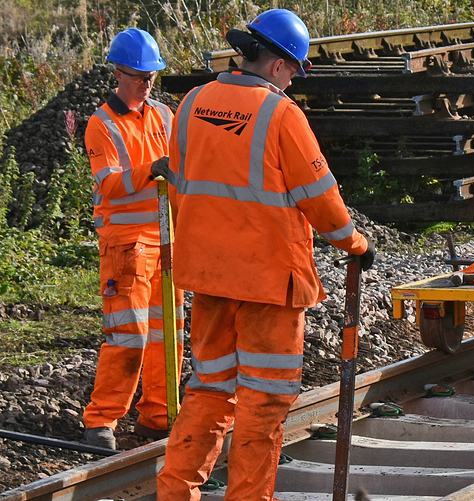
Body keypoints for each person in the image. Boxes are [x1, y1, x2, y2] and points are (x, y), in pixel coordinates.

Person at [154, 9, 375, 500]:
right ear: (278, 65)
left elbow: (181, 183)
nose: (294, 81)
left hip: (209, 278)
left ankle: (174, 494)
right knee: (263, 402)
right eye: (295, 70)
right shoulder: (280, 114)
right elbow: (322, 201)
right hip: (269, 285)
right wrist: (356, 244)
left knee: (209, 391)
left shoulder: (192, 102)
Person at [82, 28, 181, 450]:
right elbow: (109, 183)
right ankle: (100, 421)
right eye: (140, 76)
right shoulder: (100, 124)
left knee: (167, 335)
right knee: (129, 336)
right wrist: (151, 170)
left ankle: (158, 416)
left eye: (152, 75)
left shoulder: (162, 116)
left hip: (165, 241)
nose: (147, 82)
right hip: (126, 246)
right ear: (119, 74)